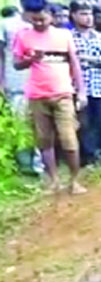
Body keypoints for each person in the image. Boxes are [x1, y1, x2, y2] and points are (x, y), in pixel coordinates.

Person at [13, 0, 86, 194]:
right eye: (35, 20)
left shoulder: (64, 35)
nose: (38, 23)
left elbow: (75, 63)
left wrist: (81, 90)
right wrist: (31, 59)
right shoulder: (23, 36)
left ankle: (74, 180)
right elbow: (16, 64)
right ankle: (53, 181)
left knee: (69, 139)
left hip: (63, 93)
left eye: (42, 19)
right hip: (37, 95)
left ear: (51, 16)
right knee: (44, 140)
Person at [1, 6, 44, 175]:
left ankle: (38, 163)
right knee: (22, 123)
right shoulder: (6, 24)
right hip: (17, 82)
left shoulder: (43, 22)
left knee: (39, 124)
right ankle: (26, 164)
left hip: (41, 83)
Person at [71, 0, 101, 165]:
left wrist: (86, 58)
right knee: (83, 124)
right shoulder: (70, 37)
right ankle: (87, 158)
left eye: (89, 14)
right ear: (74, 16)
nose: (88, 18)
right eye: (83, 14)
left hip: (99, 87)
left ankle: (99, 155)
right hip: (79, 88)